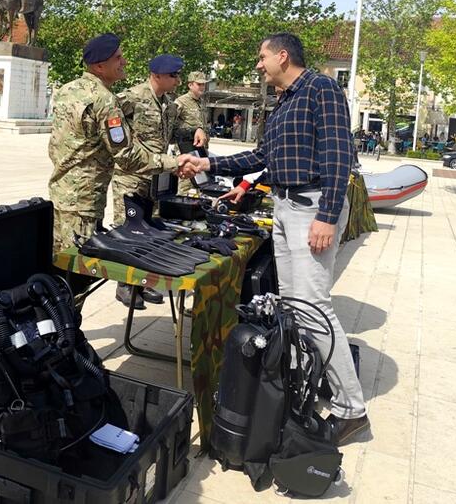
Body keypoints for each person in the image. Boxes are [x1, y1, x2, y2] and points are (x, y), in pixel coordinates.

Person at [177, 32, 368, 445]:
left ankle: (352, 410)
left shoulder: (322, 89)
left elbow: (338, 157)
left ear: (283, 56)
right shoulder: (281, 103)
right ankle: (299, 388)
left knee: (314, 306)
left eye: (262, 57)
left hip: (311, 207)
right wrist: (208, 161)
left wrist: (327, 216)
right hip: (284, 207)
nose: (259, 65)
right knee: (294, 306)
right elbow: (261, 158)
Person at [48, 32, 179, 287]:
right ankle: (68, 326)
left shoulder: (67, 91)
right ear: (99, 66)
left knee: (59, 268)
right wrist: (173, 163)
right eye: (118, 58)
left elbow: (55, 145)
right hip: (85, 202)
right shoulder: (105, 101)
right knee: (76, 278)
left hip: (61, 194)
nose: (124, 62)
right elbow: (127, 156)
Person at [111, 54, 184, 308]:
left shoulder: (170, 105)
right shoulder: (131, 98)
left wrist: (195, 132)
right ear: (157, 75)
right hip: (130, 177)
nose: (178, 80)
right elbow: (110, 127)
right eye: (173, 75)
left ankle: (141, 282)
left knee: (148, 232)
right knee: (127, 231)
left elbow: (171, 134)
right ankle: (124, 285)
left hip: (155, 178)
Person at [173, 70, 209, 194]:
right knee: (186, 184)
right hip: (186, 149)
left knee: (200, 182)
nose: (202, 87)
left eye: (203, 84)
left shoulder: (202, 102)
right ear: (190, 85)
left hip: (200, 150)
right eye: (199, 84)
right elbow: (172, 125)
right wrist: (190, 131)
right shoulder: (180, 102)